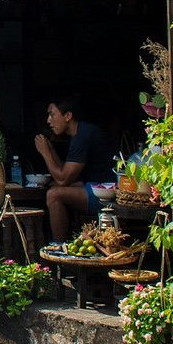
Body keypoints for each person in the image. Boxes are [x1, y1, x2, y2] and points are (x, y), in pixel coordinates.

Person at [37, 96, 117, 241]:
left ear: (68, 116)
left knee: (53, 194)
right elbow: (66, 176)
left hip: (106, 195)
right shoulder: (78, 134)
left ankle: (59, 248)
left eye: (52, 114)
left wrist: (45, 153)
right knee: (52, 187)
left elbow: (62, 179)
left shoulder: (83, 136)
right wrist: (50, 148)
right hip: (92, 187)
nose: (48, 120)